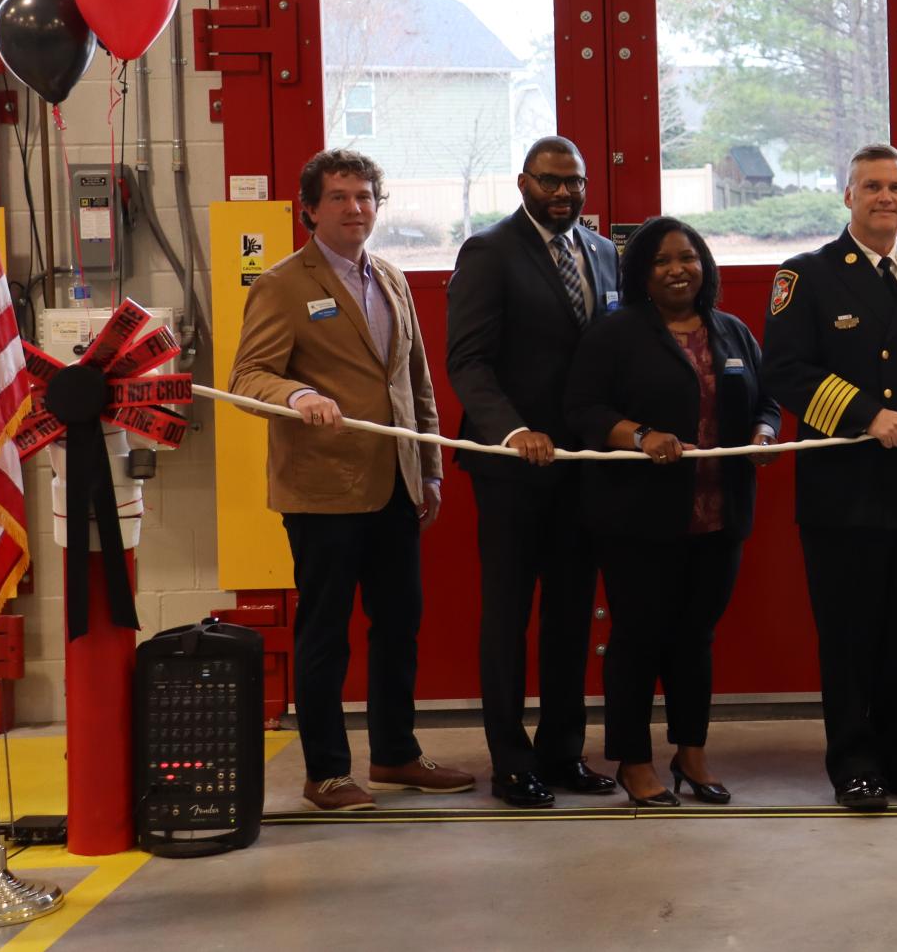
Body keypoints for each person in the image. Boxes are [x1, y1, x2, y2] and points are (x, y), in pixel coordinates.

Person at [229, 148, 474, 811]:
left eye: (364, 195)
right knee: (325, 633)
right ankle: (327, 772)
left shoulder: (391, 278)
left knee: (400, 623)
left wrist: (429, 468)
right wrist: (299, 392)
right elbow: (247, 378)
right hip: (323, 490)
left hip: (395, 485)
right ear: (309, 207)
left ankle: (395, 753)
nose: (354, 208)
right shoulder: (282, 283)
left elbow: (415, 381)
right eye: (338, 196)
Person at [760, 143, 897, 811]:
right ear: (847, 195)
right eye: (871, 186)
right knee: (850, 634)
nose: (885, 196)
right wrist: (867, 415)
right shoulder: (805, 274)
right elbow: (787, 372)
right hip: (844, 484)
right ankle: (853, 763)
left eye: (896, 186)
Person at [564, 218, 781, 807]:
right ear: (641, 273)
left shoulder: (731, 332)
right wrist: (638, 435)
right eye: (661, 261)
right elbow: (581, 409)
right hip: (638, 519)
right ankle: (634, 761)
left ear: (705, 264)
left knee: (695, 639)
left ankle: (692, 753)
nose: (678, 269)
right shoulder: (616, 334)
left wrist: (764, 432)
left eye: (688, 257)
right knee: (637, 638)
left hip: (719, 516)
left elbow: (769, 398)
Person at [445, 137, 620, 809]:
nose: (564, 193)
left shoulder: (604, 253)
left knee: (573, 616)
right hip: (512, 470)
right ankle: (512, 761)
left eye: (575, 182)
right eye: (551, 181)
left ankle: (563, 751)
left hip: (584, 468)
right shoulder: (489, 252)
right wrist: (514, 431)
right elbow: (470, 361)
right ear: (524, 182)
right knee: (509, 617)